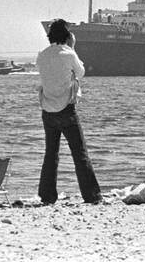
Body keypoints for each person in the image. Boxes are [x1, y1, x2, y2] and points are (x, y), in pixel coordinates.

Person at [36, 19, 102, 204]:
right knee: (79, 154)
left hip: (47, 111)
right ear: (67, 36)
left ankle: (47, 196)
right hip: (67, 109)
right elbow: (80, 73)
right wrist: (72, 47)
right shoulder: (68, 53)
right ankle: (92, 196)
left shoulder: (42, 55)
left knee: (51, 154)